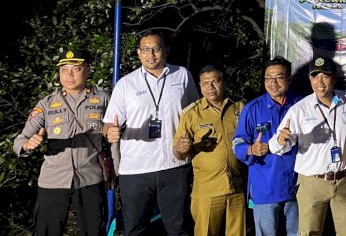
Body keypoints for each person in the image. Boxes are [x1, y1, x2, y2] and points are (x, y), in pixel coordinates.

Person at [102, 29, 199, 236]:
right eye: (145, 50)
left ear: (166, 51)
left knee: (178, 228)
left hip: (175, 165)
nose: (151, 54)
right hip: (136, 169)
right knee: (135, 230)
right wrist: (110, 132)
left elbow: (196, 113)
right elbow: (109, 123)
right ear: (138, 53)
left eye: (156, 49)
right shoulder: (126, 84)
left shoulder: (182, 75)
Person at [14, 48, 110, 236]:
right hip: (53, 181)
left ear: (88, 69)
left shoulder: (103, 99)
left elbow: (117, 131)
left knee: (94, 231)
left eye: (76, 68)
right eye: (64, 69)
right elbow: (20, 140)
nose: (69, 75)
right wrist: (27, 145)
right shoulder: (46, 104)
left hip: (90, 179)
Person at [268, 56, 346, 236]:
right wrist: (281, 140)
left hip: (344, 181)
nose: (320, 81)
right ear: (310, 79)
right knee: (310, 232)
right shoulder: (299, 110)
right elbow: (275, 147)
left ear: (334, 77)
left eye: (325, 76)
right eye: (315, 76)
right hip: (312, 182)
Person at [173, 64, 246, 236]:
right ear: (200, 86)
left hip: (237, 187)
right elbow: (178, 152)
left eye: (215, 82)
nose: (210, 87)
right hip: (208, 189)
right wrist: (181, 148)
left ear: (224, 83)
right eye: (205, 83)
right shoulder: (191, 114)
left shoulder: (239, 108)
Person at [233, 57, 301, 236]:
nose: (273, 83)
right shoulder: (252, 108)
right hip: (265, 187)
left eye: (279, 77)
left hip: (297, 186)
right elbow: (238, 143)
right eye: (268, 78)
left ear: (289, 79)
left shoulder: (300, 105)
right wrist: (251, 150)